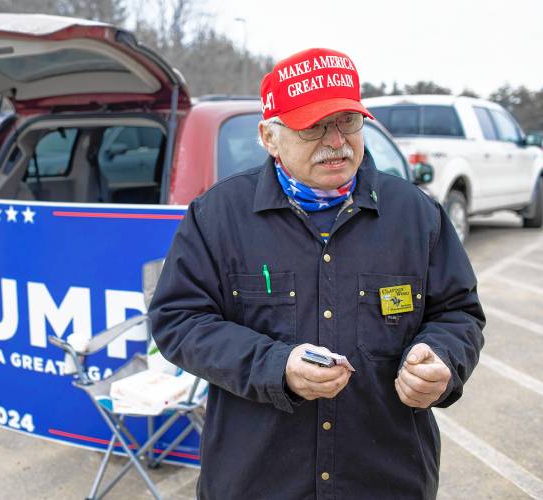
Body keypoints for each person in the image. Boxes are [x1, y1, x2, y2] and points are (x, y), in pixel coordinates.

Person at [148, 47, 485, 499]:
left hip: (387, 481)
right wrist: (275, 365)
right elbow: (178, 321)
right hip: (257, 481)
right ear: (269, 136)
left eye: (347, 121)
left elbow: (459, 314)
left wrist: (443, 357)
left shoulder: (417, 215)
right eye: (313, 127)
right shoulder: (217, 216)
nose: (336, 141)